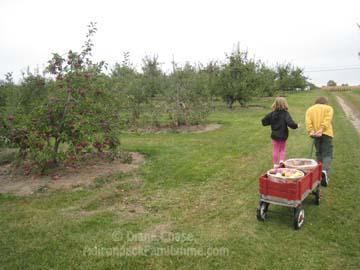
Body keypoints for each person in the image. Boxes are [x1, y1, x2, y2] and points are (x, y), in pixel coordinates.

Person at [262, 97, 299, 168]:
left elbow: (263, 121)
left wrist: (271, 121)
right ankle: (281, 161)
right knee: (282, 149)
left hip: (274, 135)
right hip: (283, 135)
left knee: (275, 149)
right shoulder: (286, 114)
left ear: (275, 104)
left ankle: (275, 164)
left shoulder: (272, 114)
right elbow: (290, 123)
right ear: (285, 104)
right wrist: (296, 126)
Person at [305, 96, 334, 187]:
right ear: (325, 102)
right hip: (326, 133)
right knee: (327, 153)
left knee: (319, 153)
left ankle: (319, 174)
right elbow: (327, 120)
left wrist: (311, 131)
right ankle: (324, 171)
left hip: (315, 134)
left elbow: (308, 121)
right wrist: (322, 129)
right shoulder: (329, 108)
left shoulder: (310, 109)